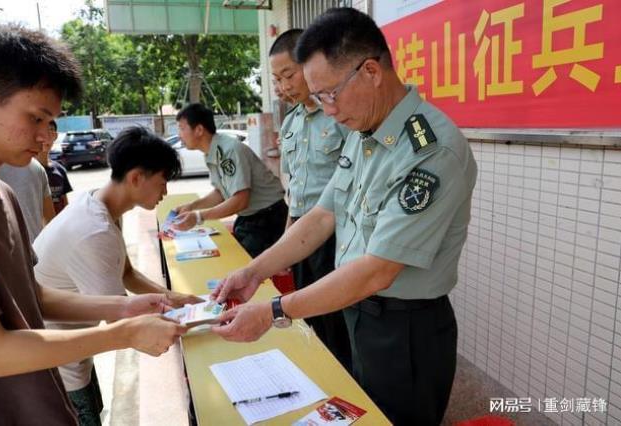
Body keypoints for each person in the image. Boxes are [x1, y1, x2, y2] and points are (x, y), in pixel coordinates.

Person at [211, 8, 477, 426]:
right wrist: (254, 271)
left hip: (402, 332)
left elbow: (377, 271)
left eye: (330, 94)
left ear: (370, 70)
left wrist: (274, 312)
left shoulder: (429, 151)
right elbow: (321, 215)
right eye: (318, 98)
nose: (328, 111)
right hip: (357, 312)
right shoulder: (364, 133)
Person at [0, 25, 188, 425]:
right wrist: (121, 332)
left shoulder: (4, 194)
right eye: (36, 118)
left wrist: (125, 305)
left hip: (39, 398)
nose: (44, 137)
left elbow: (32, 296)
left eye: (51, 121)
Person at [34, 126, 201, 425]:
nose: (165, 192)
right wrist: (194, 321)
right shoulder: (96, 231)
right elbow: (122, 321)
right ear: (136, 177)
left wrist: (177, 299)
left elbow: (127, 273)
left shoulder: (100, 205)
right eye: (162, 182)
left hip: (70, 353)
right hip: (57, 366)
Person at [269, 29, 351, 370]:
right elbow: (296, 188)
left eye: (288, 75)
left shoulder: (341, 114)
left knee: (337, 322)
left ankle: (345, 384)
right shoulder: (291, 122)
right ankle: (322, 376)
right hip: (301, 234)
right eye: (276, 80)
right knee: (307, 316)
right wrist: (287, 239)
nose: (283, 86)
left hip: (336, 235)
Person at [171, 103, 288, 258]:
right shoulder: (214, 150)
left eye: (181, 128)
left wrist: (199, 217)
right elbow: (221, 192)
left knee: (245, 269)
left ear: (199, 130)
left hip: (267, 219)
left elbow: (240, 200)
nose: (179, 135)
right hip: (251, 218)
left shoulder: (228, 150)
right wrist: (191, 206)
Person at [0, 157, 55, 243]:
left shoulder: (36, 167)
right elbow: (50, 220)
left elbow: (50, 219)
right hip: (35, 249)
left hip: (11, 251)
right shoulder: (36, 166)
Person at [36, 120, 72, 215]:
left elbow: (65, 203)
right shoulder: (27, 169)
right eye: (42, 132)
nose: (46, 137)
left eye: (51, 131)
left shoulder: (60, 170)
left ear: (55, 136)